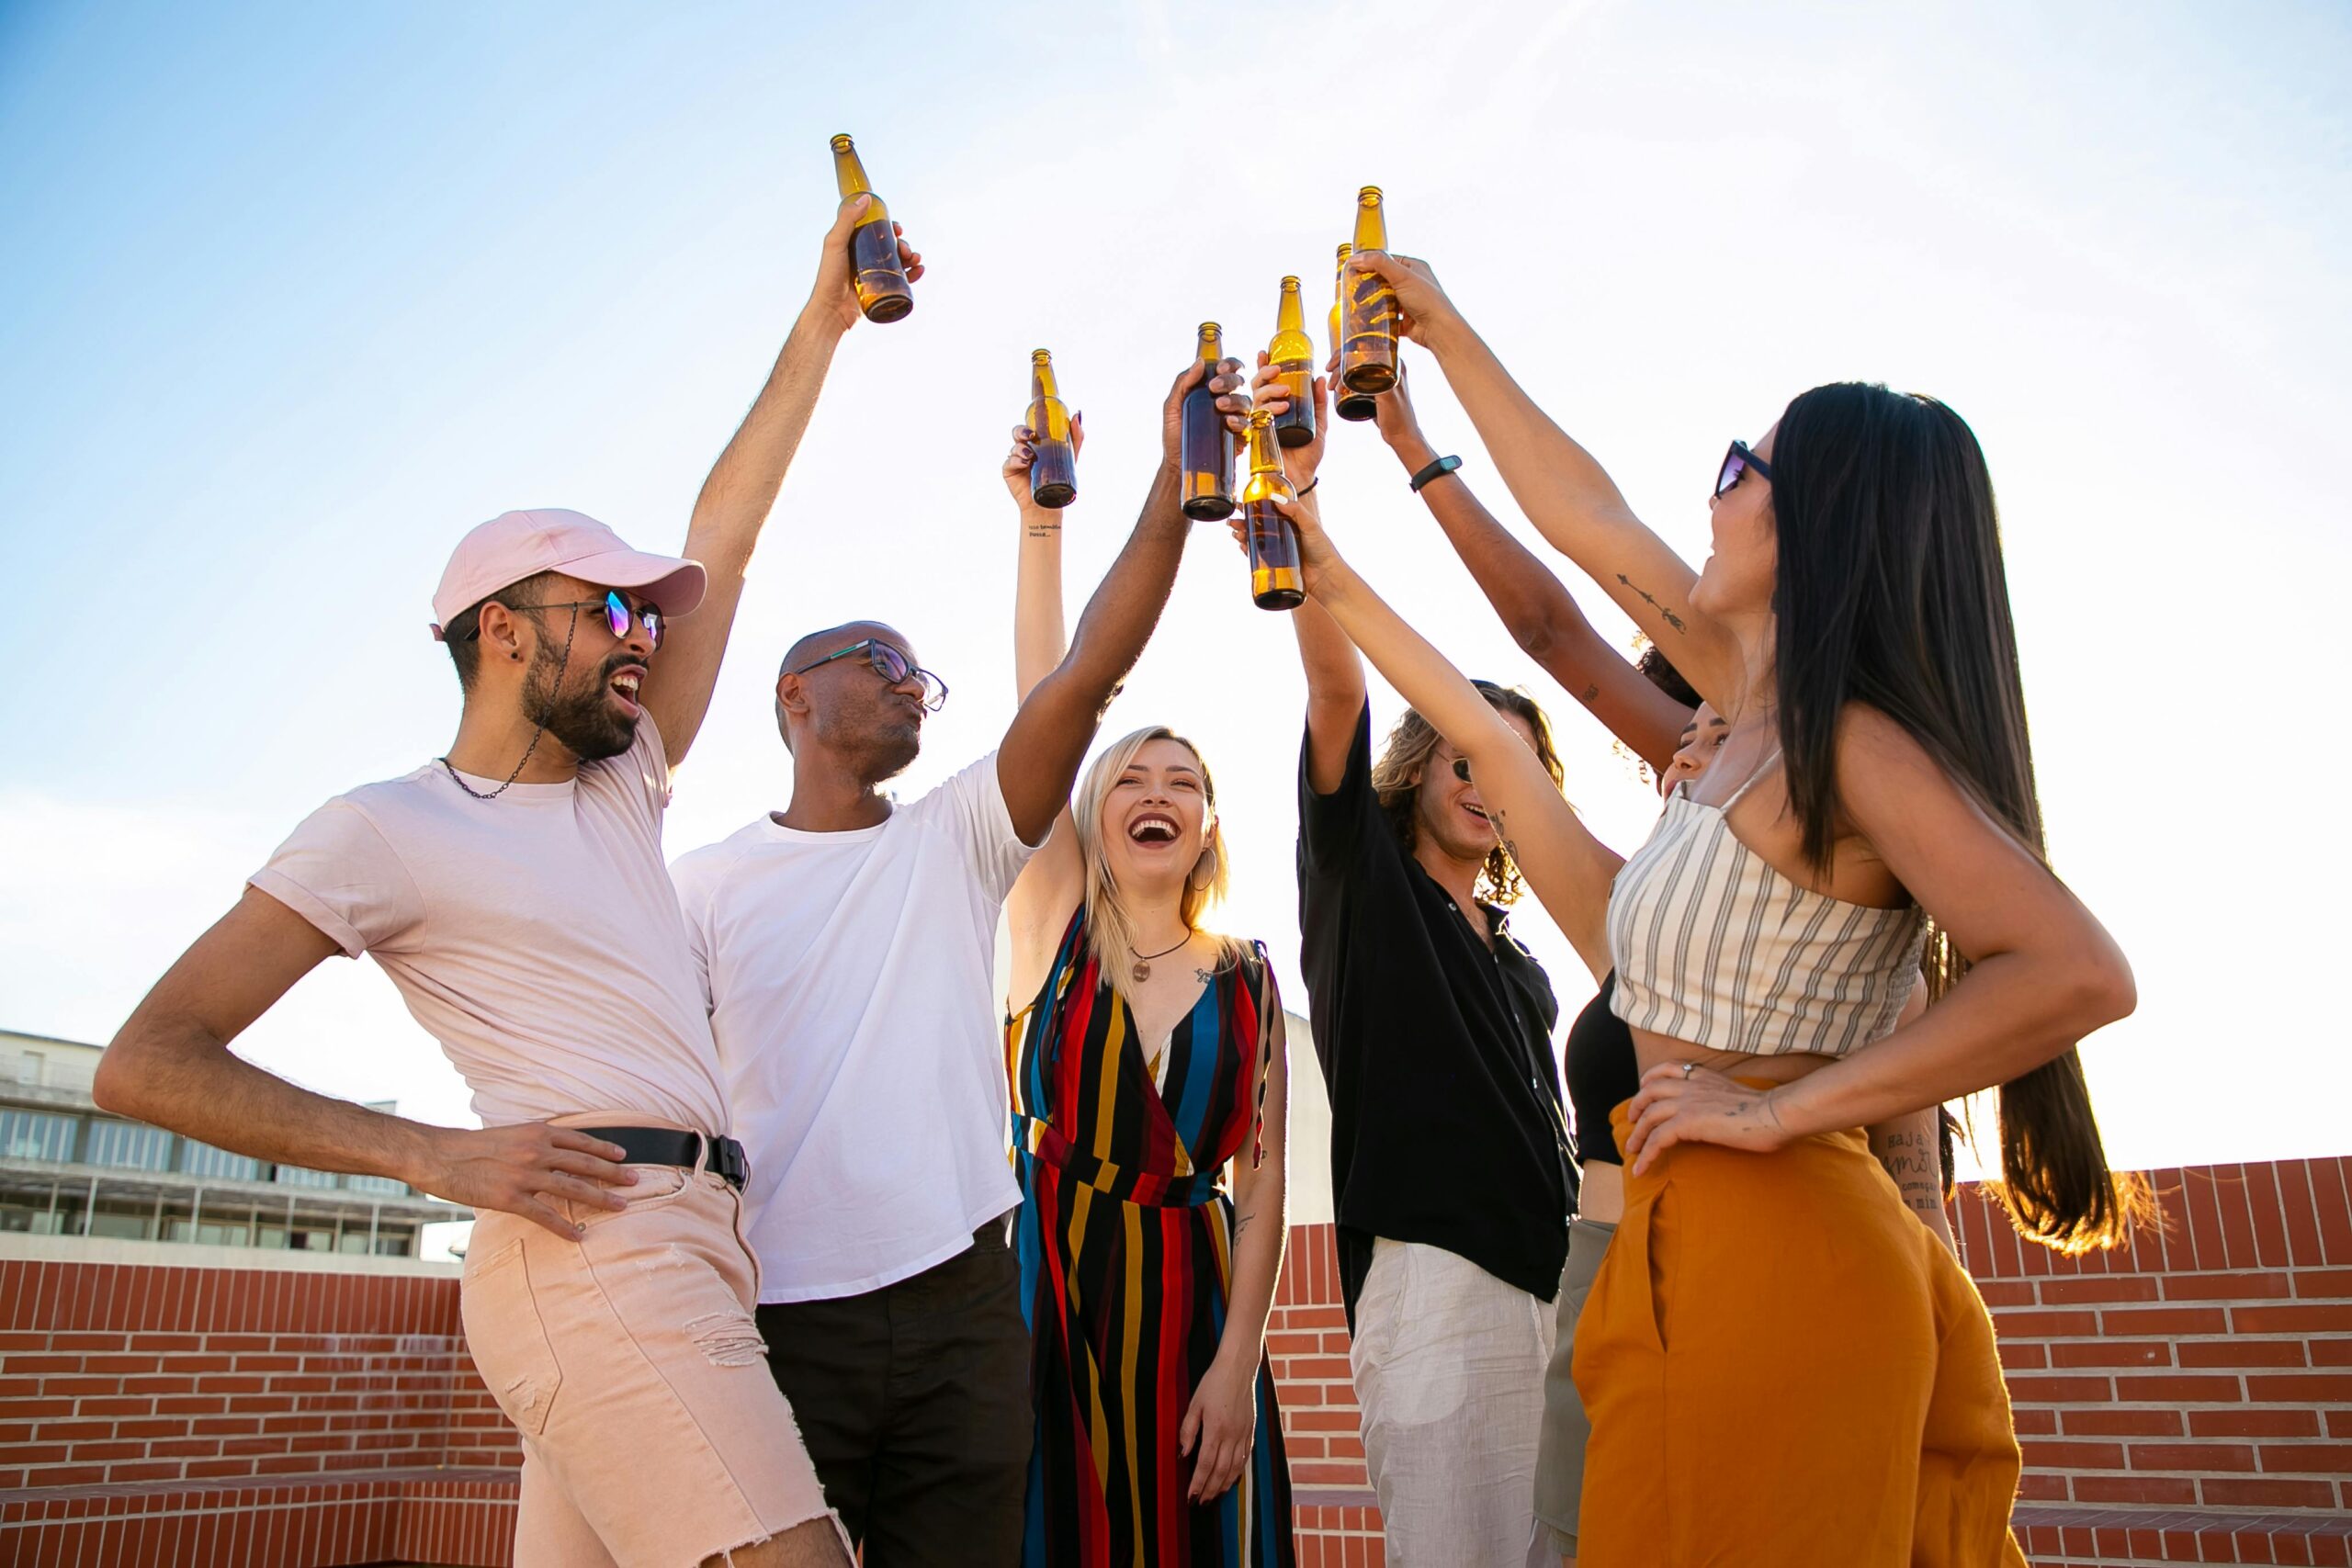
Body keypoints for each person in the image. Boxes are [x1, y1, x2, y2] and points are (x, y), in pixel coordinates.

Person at [88, 195, 915, 1568]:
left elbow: (728, 530)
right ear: (503, 632)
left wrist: (824, 321)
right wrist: (427, 1154)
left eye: (646, 614)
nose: (640, 637)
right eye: (607, 610)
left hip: (697, 1242)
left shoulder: (623, 779)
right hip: (595, 1253)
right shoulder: (386, 828)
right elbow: (145, 1062)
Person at [1295, 246, 2141, 1566]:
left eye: (1743, 467)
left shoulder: (1848, 748)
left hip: (1787, 1250)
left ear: (1818, 527)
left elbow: (2078, 970)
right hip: (1677, 1239)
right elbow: (1577, 539)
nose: (1713, 485)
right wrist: (1428, 356)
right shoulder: (1744, 727)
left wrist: (1785, 1109)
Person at [1253, 360, 1959, 1562]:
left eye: (1708, 721)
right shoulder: (1471, 894)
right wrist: (1327, 523)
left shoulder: (1780, 856)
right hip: (1559, 1274)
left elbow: (2012, 1034)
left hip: (1684, 1272)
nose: (1679, 741)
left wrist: (1783, 1113)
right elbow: (1510, 656)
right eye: (1679, 726)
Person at [667, 354, 1253, 1568]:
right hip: (781, 1311)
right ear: (794, 695)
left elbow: (1086, 675)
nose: (912, 687)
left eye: (922, 677)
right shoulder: (707, 885)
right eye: (879, 662)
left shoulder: (958, 838)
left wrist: (1170, 476)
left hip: (967, 1306)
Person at [1252, 369, 1575, 1567]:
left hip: (1560, 1283)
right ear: (1417, 769)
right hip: (1439, 1282)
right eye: (1466, 758)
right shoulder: (1364, 884)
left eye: (1516, 767)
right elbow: (1337, 686)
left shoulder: (1526, 958)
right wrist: (1301, 499)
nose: (1489, 784)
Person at [996, 420, 1295, 1566]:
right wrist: (1040, 525)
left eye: (1181, 783)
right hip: (1048, 1296)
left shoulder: (1250, 976)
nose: (1155, 793)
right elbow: (1049, 702)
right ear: (1093, 810)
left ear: (1207, 826)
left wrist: (1237, 1365)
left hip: (1197, 1312)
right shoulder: (1053, 928)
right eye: (1130, 777)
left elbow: (1260, 1190)